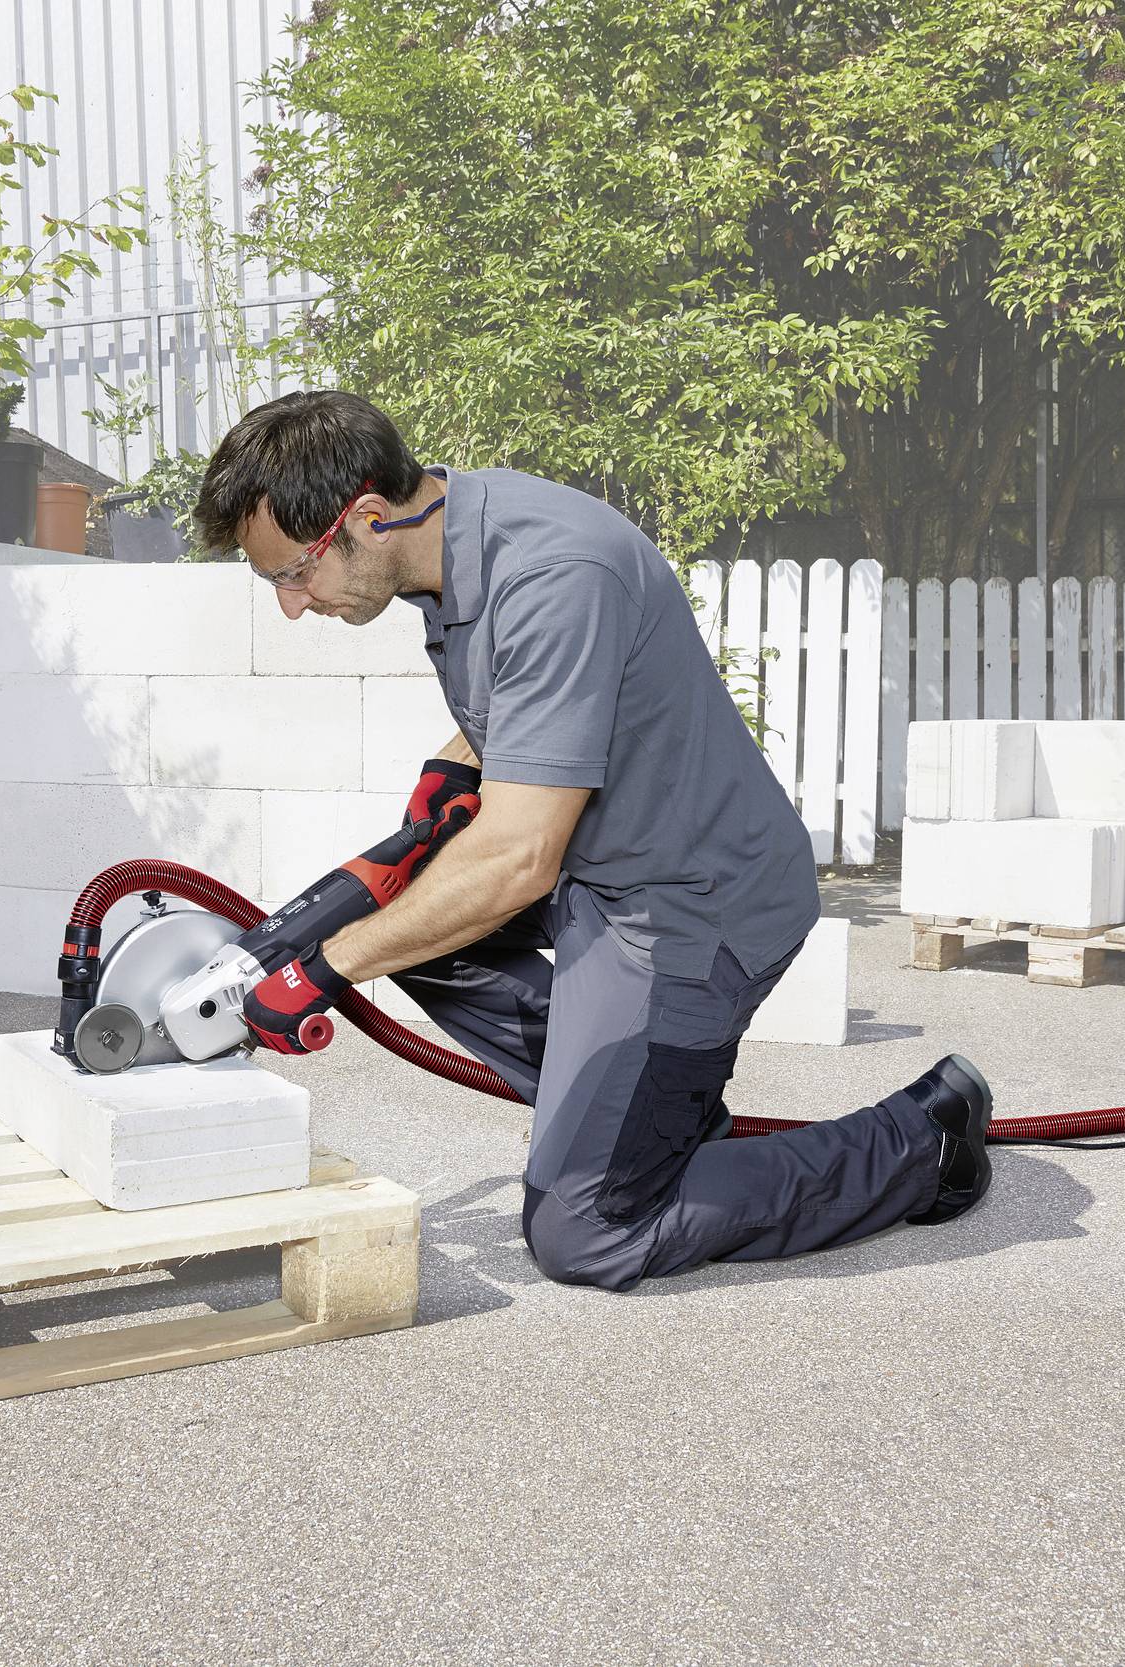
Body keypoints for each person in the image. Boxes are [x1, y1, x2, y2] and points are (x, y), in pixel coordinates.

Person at [191, 389, 995, 1293]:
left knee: (587, 1229)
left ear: (369, 518)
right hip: (607, 874)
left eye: (291, 575)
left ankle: (921, 1143)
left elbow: (519, 857)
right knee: (410, 921)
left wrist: (323, 970)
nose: (294, 605)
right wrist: (457, 770)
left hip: (694, 903)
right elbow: (541, 694)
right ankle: (653, 1112)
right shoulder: (449, 538)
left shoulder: (553, 571)